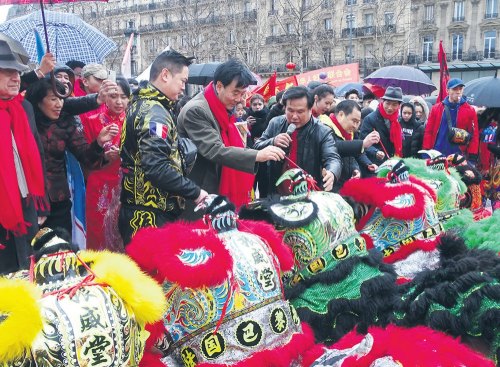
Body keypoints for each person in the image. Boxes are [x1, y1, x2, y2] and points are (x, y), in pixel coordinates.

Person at [119, 50, 208, 244]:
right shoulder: (154, 112)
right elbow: (157, 167)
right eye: (182, 81)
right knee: (150, 273)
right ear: (165, 75)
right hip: (149, 215)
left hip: (142, 210)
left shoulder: (143, 103)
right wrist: (196, 192)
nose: (184, 87)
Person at [177, 58, 285, 213]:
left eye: (243, 94)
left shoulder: (224, 106)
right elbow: (215, 149)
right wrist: (257, 155)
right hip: (202, 190)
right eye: (235, 93)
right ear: (219, 86)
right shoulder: (197, 110)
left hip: (218, 186)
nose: (240, 99)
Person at [24, 79, 117, 236]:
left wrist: (99, 143)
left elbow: (86, 157)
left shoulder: (65, 123)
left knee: (60, 253)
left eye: (61, 99)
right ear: (38, 102)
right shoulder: (24, 123)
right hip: (29, 201)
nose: (59, 104)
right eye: (53, 99)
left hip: (58, 200)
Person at [0, 40, 47, 275]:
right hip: (2, 206)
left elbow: (37, 153)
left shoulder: (24, 107)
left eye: (17, 72)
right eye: (7, 72)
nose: (15, 78)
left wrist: (43, 201)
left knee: (28, 268)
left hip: (26, 201)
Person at [254, 86, 342, 192]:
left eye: (300, 112)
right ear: (284, 108)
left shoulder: (322, 131)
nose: (294, 116)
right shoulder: (275, 123)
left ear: (310, 109)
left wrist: (332, 172)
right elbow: (256, 147)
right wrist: (272, 141)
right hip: (276, 191)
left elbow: (332, 158)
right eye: (290, 110)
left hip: (307, 192)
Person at [84, 77, 130, 250]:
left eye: (124, 96)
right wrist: (101, 151)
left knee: (123, 232)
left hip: (125, 184)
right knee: (100, 233)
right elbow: (86, 159)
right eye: (113, 96)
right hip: (99, 185)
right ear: (104, 98)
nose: (119, 101)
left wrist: (122, 154)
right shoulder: (92, 121)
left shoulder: (133, 121)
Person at [324, 100, 380, 190]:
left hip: (345, 184)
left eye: (358, 122)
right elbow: (335, 147)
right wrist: (363, 143)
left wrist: (356, 169)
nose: (355, 126)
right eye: (354, 121)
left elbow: (353, 155)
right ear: (341, 114)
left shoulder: (349, 133)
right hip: (330, 185)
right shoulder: (325, 128)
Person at [423, 78, 479, 160]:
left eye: (460, 89)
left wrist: (472, 156)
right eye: (455, 89)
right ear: (447, 90)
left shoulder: (469, 110)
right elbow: (429, 131)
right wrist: (426, 152)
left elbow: (474, 134)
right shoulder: (436, 108)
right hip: (437, 152)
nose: (458, 92)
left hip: (458, 154)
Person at [360, 86, 404, 163]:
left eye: (394, 104)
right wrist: (375, 152)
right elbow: (363, 142)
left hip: (393, 161)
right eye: (388, 103)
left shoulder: (399, 120)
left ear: (399, 105)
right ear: (382, 101)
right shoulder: (370, 119)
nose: (390, 108)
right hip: (375, 163)